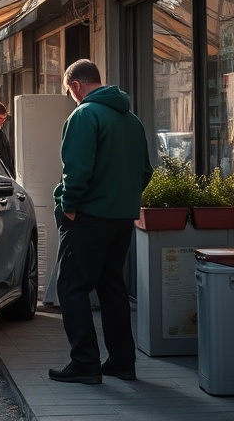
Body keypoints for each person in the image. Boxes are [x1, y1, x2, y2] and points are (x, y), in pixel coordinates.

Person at [49, 59, 153, 385]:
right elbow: (146, 171)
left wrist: (69, 205)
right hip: (122, 217)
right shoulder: (131, 119)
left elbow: (76, 170)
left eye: (70, 92)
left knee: (72, 287)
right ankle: (122, 362)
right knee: (112, 287)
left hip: (88, 216)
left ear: (76, 85)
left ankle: (85, 363)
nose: (72, 98)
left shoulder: (84, 115)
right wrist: (123, 200)